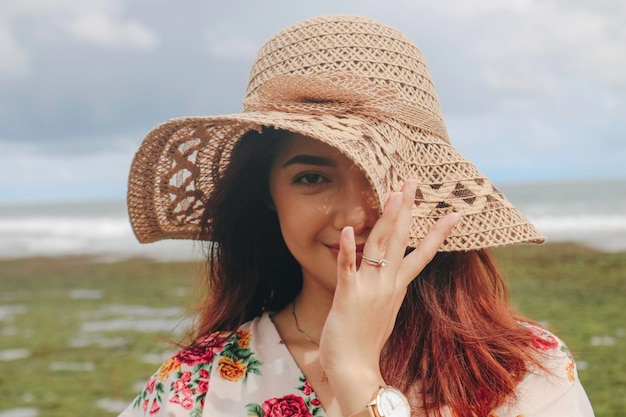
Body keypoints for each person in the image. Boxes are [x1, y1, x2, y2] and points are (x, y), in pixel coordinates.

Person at [120, 14, 594, 417]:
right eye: (311, 178)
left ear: (426, 188)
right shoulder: (196, 387)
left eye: (379, 174)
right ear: (268, 194)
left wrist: (358, 379)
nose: (353, 216)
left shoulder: (522, 371)